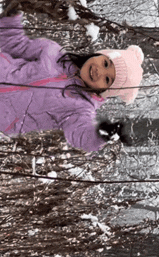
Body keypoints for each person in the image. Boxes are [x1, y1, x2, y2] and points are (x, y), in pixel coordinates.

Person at [0, 12, 144, 152]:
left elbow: (81, 135)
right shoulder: (52, 53)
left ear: (105, 91)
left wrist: (100, 135)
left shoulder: (80, 108)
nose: (99, 71)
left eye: (107, 79)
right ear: (100, 54)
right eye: (106, 63)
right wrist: (11, 16)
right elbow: (16, 45)